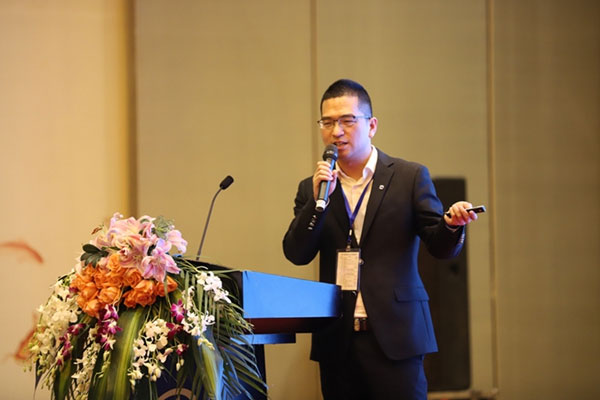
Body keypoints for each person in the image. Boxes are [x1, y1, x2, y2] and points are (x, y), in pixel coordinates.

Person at [282, 79, 478, 400]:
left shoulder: (409, 177)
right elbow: (296, 253)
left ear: (371, 125)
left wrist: (452, 225)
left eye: (347, 120)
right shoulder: (313, 187)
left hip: (397, 337)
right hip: (338, 341)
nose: (336, 131)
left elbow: (438, 244)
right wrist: (318, 203)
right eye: (327, 123)